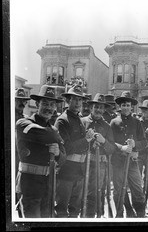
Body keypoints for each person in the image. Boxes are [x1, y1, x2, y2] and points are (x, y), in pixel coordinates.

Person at [15, 85, 66, 218]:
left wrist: (58, 153)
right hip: (30, 185)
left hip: (48, 185)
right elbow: (48, 136)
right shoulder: (23, 123)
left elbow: (63, 158)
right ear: (37, 104)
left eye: (52, 104)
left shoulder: (53, 130)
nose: (48, 108)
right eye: (44, 103)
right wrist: (57, 138)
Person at [54, 85, 95, 218]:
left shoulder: (79, 119)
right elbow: (65, 147)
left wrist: (89, 139)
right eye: (75, 99)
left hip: (80, 170)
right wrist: (86, 140)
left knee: (75, 209)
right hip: (66, 170)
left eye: (80, 100)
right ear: (68, 101)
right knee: (61, 208)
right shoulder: (62, 120)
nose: (78, 103)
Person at [110, 91, 147, 218]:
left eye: (128, 105)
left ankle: (141, 215)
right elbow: (110, 143)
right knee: (119, 190)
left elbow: (144, 142)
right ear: (120, 107)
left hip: (132, 162)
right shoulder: (114, 122)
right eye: (123, 105)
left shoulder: (137, 122)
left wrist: (135, 144)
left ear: (132, 107)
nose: (126, 107)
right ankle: (125, 212)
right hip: (118, 162)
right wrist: (122, 148)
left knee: (137, 189)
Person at [81, 93, 116, 218]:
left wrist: (103, 141)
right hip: (83, 163)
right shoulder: (83, 122)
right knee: (82, 192)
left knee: (97, 193)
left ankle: (95, 217)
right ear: (91, 108)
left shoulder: (107, 126)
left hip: (100, 165)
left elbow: (112, 148)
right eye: (96, 107)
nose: (98, 110)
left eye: (101, 108)